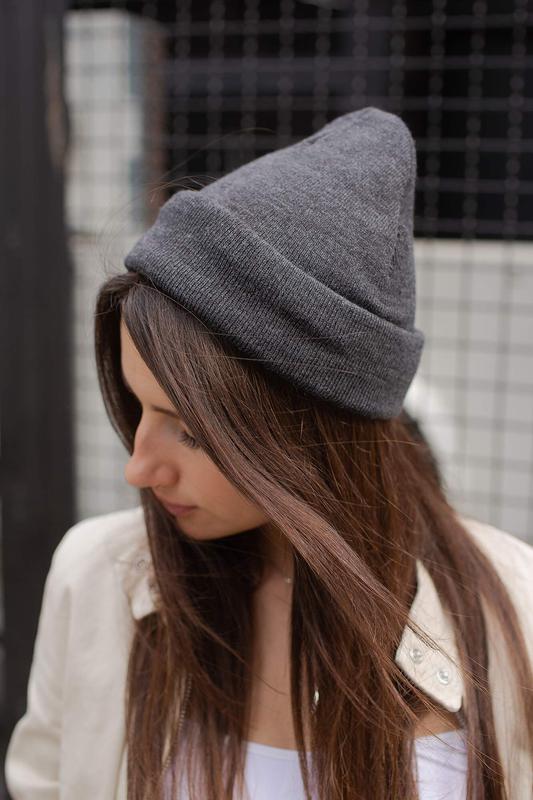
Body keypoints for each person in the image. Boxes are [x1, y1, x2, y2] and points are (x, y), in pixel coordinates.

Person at [5, 107, 533, 800]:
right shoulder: (97, 579)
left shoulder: (514, 606)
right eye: (138, 409)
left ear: (310, 431)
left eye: (192, 432)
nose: (138, 468)